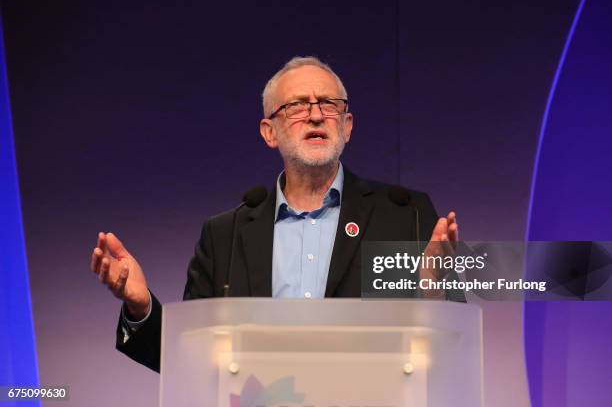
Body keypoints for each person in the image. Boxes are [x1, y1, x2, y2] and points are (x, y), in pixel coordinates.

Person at [89, 56, 464, 372]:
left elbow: (453, 344)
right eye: (297, 106)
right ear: (269, 132)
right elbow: (191, 360)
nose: (316, 115)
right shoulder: (226, 235)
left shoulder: (403, 215)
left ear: (347, 127)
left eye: (329, 104)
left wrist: (434, 290)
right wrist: (141, 307)